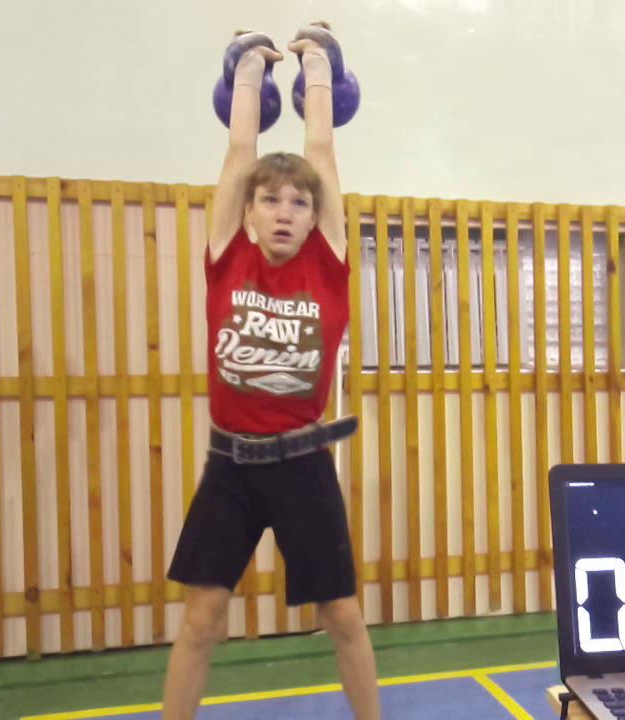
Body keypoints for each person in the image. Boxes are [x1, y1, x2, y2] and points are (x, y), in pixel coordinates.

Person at [160, 24, 380, 720]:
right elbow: (238, 153)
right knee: (202, 617)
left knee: (342, 615)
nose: (285, 212)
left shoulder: (328, 268)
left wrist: (318, 67)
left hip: (302, 465)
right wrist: (248, 69)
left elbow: (322, 152)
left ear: (315, 216)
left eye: (299, 202)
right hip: (230, 467)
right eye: (270, 200)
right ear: (249, 213)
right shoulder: (228, 258)